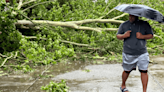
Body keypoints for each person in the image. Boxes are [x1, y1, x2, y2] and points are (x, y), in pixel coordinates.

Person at [116, 14, 154, 92]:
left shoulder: (144, 24)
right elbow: (118, 36)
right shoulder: (124, 24)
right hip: (128, 52)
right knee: (127, 70)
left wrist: (142, 36)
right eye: (129, 16)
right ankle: (123, 85)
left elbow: (151, 35)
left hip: (142, 52)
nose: (130, 18)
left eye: (132, 16)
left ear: (137, 16)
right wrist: (124, 35)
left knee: (144, 71)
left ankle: (144, 91)